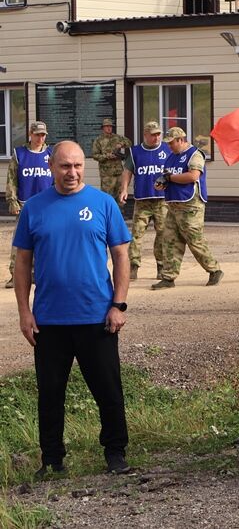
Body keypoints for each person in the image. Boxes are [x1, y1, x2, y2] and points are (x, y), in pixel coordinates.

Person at [14, 141, 132, 478]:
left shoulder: (103, 203)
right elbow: (22, 264)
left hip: (97, 318)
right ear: (51, 166)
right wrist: (24, 312)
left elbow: (121, 256)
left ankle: (115, 453)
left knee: (108, 390)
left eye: (78, 165)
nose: (72, 172)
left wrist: (118, 304)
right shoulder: (34, 208)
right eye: (65, 166)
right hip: (49, 321)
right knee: (50, 395)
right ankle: (52, 460)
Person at [150, 127, 222, 289]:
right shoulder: (171, 157)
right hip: (173, 205)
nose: (169, 146)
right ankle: (168, 277)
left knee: (194, 240)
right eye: (168, 143)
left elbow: (193, 176)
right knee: (169, 240)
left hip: (190, 206)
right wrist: (162, 182)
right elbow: (168, 176)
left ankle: (214, 270)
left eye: (172, 143)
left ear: (181, 140)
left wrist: (171, 178)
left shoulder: (194, 154)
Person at [118, 121, 170, 281]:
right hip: (142, 200)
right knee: (136, 235)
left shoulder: (167, 149)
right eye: (153, 135)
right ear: (145, 135)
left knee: (163, 234)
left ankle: (161, 266)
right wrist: (124, 189)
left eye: (158, 134)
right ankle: (133, 266)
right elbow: (127, 171)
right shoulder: (135, 152)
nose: (156, 137)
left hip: (162, 200)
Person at [6, 121, 52, 288]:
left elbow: (57, 179)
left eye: (43, 135)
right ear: (30, 135)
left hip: (47, 205)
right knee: (20, 241)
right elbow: (11, 179)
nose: (40, 138)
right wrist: (12, 200)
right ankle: (15, 275)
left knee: (46, 240)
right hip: (25, 204)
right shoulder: (20, 153)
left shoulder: (51, 153)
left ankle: (40, 274)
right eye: (37, 134)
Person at [90, 118, 130, 201]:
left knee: (120, 195)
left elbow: (129, 142)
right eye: (107, 126)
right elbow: (95, 155)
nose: (109, 128)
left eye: (110, 126)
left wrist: (121, 144)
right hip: (107, 174)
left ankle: (119, 209)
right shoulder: (98, 140)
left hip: (118, 172)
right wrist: (107, 156)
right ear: (103, 128)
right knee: (107, 197)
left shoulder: (117, 137)